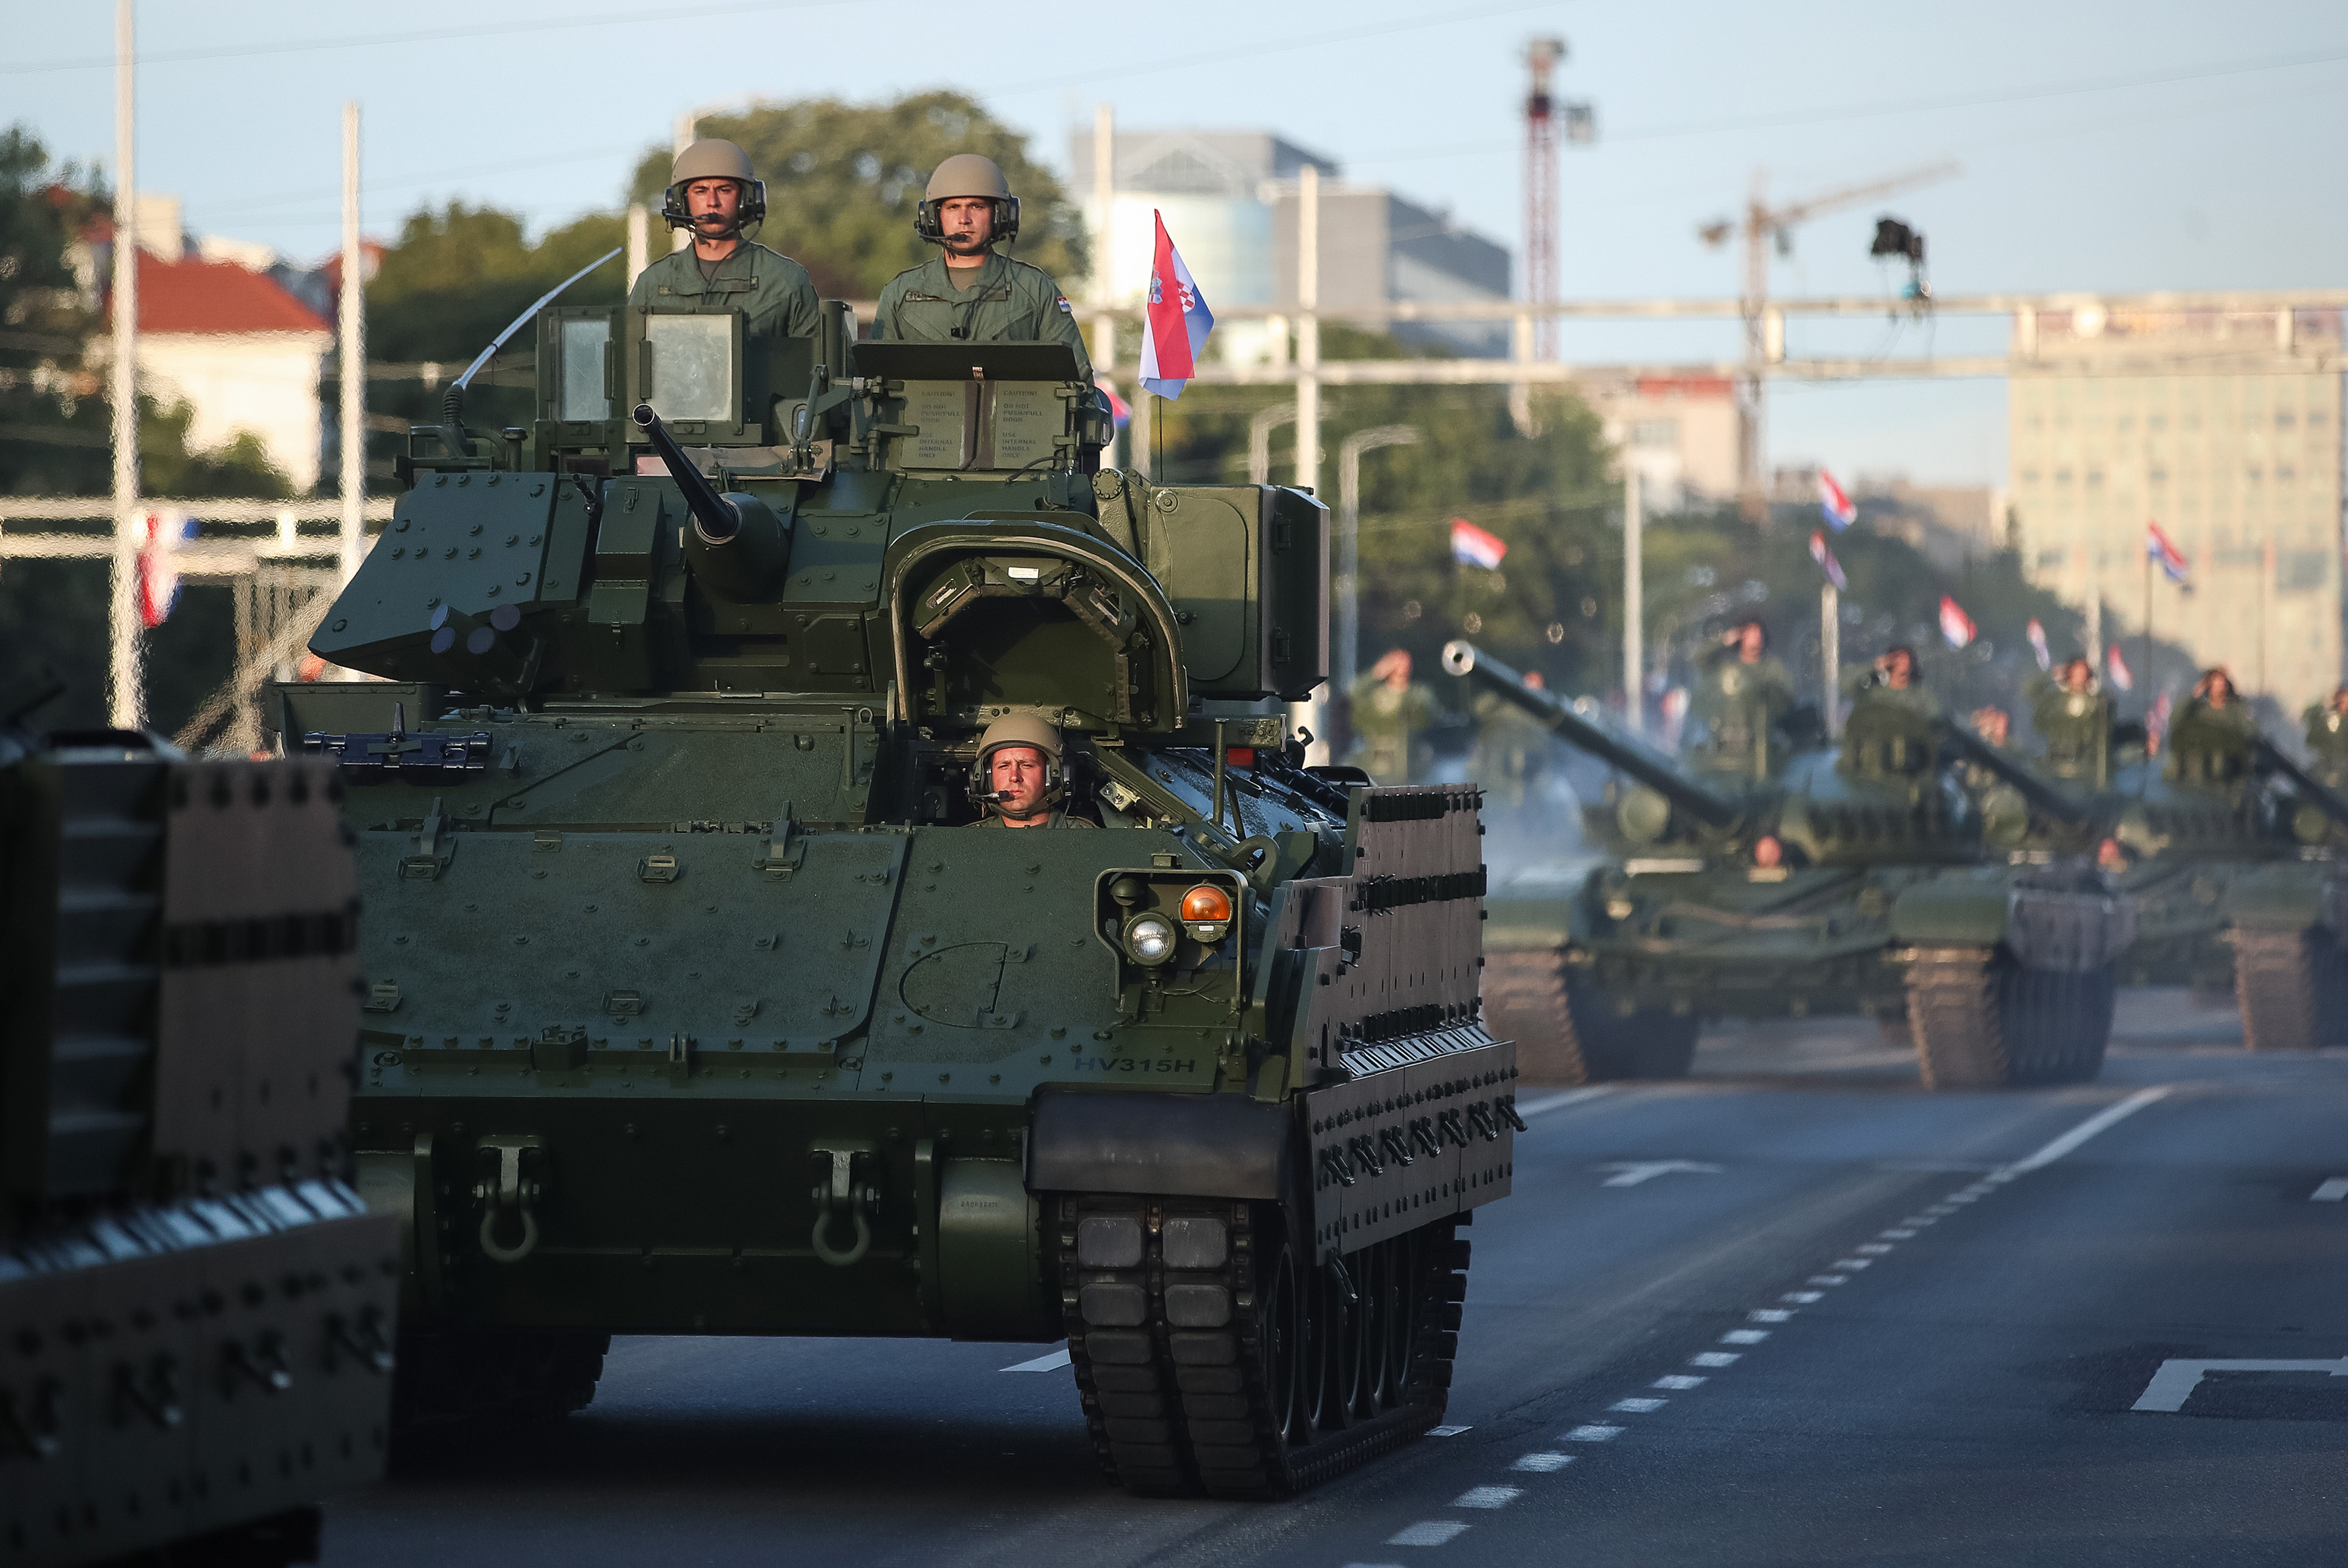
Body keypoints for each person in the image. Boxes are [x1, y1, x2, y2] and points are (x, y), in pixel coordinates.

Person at [872, 154, 1093, 379]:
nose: (964, 219)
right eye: (953, 207)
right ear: (932, 218)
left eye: (976, 207)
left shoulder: (1035, 290)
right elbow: (874, 381)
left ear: (1001, 216)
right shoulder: (901, 293)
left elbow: (1078, 379)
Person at [628, 139, 821, 341]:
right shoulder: (654, 284)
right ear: (679, 203)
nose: (713, 202)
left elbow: (817, 357)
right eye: (701, 191)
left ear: (748, 199)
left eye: (724, 190)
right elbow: (630, 356)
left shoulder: (785, 281)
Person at [1687, 618, 1794, 776]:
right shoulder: (1727, 669)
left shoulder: (1772, 668)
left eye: (1758, 635)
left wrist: (1765, 691)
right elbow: (1697, 658)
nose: (1756, 639)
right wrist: (1724, 640)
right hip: (1723, 746)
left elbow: (1788, 698)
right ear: (1742, 637)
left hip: (1760, 748)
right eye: (1750, 634)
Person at [968, 713, 1093, 829]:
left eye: (1026, 765)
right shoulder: (968, 839)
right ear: (985, 778)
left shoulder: (1086, 837)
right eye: (1004, 766)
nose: (1014, 777)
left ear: (1053, 774)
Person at [1348, 648, 1438, 785]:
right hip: (1375, 764)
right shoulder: (1377, 696)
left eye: (1405, 662)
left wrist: (1403, 690)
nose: (1402, 665)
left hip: (1410, 765)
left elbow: (1429, 712)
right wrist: (1376, 673)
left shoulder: (1418, 693)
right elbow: (1353, 694)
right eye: (1396, 661)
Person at [2028, 655, 2112, 781]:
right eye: (2076, 672)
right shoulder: (2055, 700)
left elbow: (2100, 739)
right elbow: (2035, 700)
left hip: (2083, 767)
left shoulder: (2096, 703)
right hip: (2055, 763)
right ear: (2069, 673)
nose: (2079, 677)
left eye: (2083, 673)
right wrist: (2051, 675)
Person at [1844, 643, 1942, 718]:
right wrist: (1873, 666)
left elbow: (1936, 720)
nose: (1904, 664)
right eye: (1898, 660)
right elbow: (1845, 683)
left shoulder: (1920, 695)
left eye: (1907, 661)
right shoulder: (1875, 694)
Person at [2304, 684, 2348, 788]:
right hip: (2321, 765)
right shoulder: (2327, 715)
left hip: (2340, 771)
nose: (2344, 704)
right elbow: (2311, 739)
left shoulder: (2344, 724)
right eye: (2342, 700)